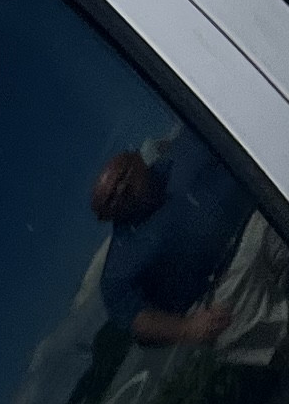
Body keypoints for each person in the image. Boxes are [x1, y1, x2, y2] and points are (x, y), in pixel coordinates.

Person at [91, 133, 254, 345]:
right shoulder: (118, 269)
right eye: (111, 198)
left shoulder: (188, 148)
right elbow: (137, 318)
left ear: (138, 160)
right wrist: (187, 329)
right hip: (227, 288)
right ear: (105, 217)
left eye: (123, 175)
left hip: (263, 216)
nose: (122, 189)